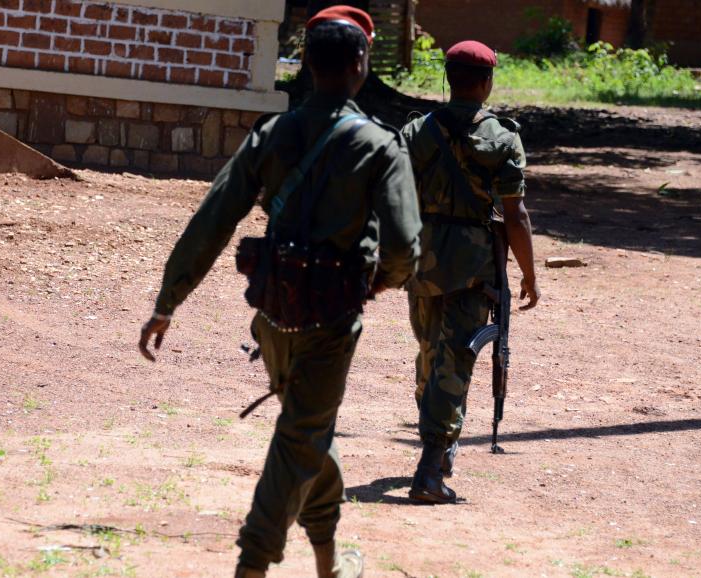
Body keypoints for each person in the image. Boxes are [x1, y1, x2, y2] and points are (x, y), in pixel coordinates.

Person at [137, 6, 421, 576]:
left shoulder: (270, 134)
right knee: (301, 436)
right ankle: (252, 562)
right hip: (330, 322)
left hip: (271, 317)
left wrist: (168, 302)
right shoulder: (379, 144)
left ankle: (328, 560)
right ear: (360, 63)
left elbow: (212, 221)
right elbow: (404, 251)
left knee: (308, 428)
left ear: (308, 64)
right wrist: (376, 283)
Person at [400, 40, 540, 504]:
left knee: (430, 353)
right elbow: (515, 215)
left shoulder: (417, 131)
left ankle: (438, 449)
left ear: (449, 78)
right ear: (486, 82)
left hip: (422, 258)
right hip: (474, 265)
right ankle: (429, 469)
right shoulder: (502, 138)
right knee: (455, 360)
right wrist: (529, 274)